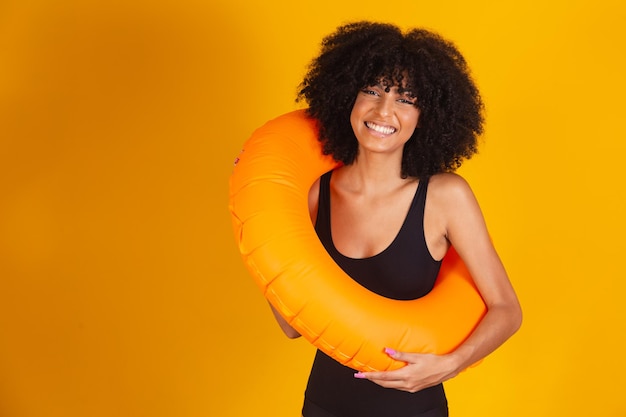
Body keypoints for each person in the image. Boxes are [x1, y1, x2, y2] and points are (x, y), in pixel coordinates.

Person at [269, 21, 522, 417]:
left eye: (406, 99)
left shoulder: (444, 197)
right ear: (346, 97)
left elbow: (507, 309)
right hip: (324, 405)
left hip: (414, 409)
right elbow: (291, 326)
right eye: (371, 90)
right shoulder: (316, 195)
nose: (383, 110)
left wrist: (453, 363)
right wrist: (261, 218)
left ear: (427, 115)